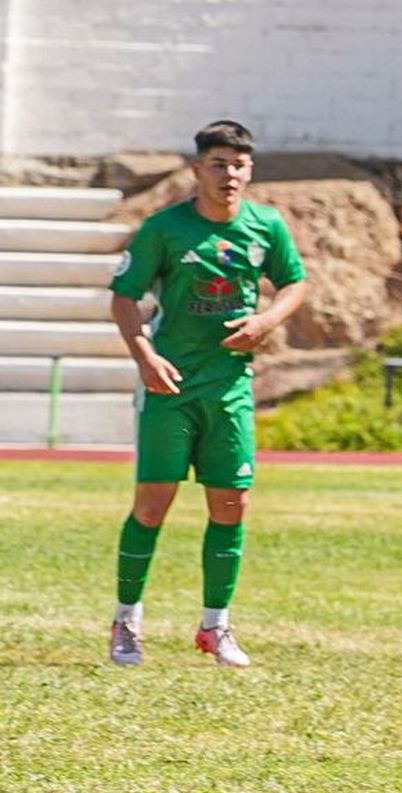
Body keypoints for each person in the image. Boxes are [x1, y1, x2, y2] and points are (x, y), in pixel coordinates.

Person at [107, 120, 307, 668]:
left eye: (239, 165)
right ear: (197, 170)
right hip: (170, 386)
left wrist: (266, 321)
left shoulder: (266, 225)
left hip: (230, 389)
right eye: (218, 164)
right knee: (152, 505)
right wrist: (145, 357)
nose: (229, 175)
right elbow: (123, 298)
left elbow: (294, 283)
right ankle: (126, 621)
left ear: (250, 170)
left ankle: (215, 627)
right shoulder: (164, 229)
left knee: (231, 505)